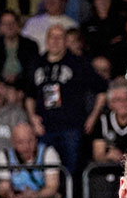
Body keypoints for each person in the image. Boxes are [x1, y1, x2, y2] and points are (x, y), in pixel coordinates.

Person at [30, 26, 102, 175]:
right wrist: (32, 118)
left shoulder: (78, 63)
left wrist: (93, 117)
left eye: (59, 37)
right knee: (46, 171)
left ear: (65, 41)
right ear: (46, 40)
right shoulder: (36, 63)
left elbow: (102, 90)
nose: (55, 41)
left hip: (71, 128)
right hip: (45, 127)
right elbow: (28, 95)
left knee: (71, 171)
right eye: (52, 37)